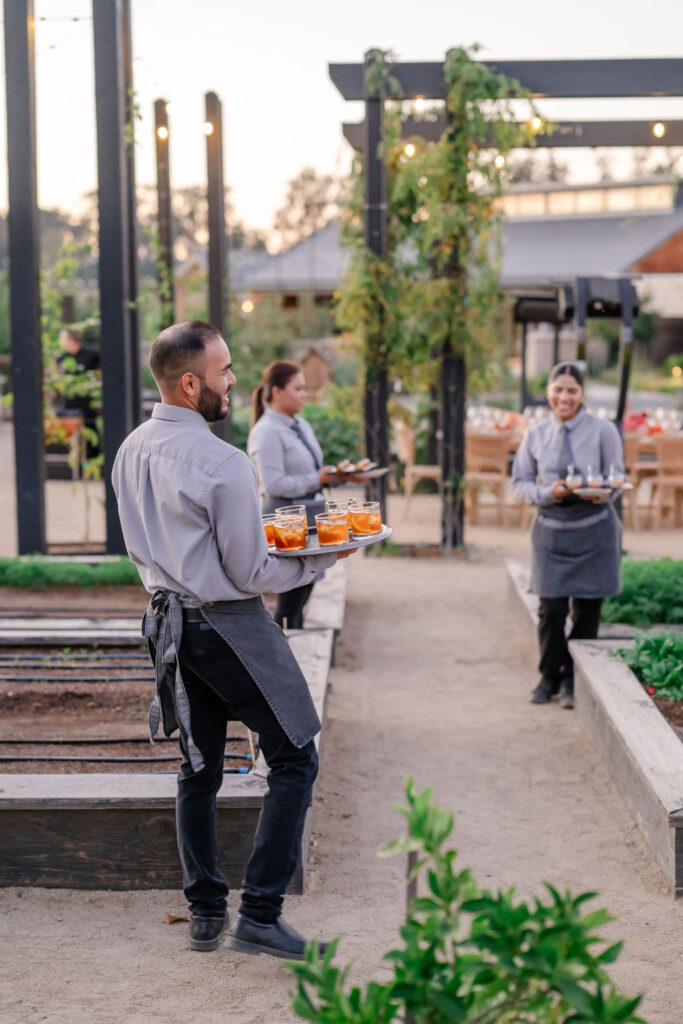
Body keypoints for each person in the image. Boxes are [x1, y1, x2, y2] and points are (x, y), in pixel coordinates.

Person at [111, 321, 355, 958]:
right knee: (297, 757)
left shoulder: (129, 450)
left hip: (167, 627)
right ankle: (262, 914)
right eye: (223, 372)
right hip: (229, 626)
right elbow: (250, 573)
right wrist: (323, 555)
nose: (233, 381)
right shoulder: (223, 461)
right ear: (191, 384)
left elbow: (148, 549)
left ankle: (205, 912)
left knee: (198, 771)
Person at [512, 362, 624, 710]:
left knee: (588, 609)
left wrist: (598, 490)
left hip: (596, 531)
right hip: (551, 533)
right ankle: (549, 675)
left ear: (582, 394)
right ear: (548, 392)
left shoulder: (604, 430)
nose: (564, 397)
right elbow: (521, 484)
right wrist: (550, 493)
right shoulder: (535, 435)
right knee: (552, 609)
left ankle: (575, 678)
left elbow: (616, 477)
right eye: (558, 389)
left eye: (572, 390)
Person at [247, 361, 339, 629]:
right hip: (287, 525)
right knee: (290, 602)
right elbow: (273, 484)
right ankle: (288, 652)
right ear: (277, 391)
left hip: (311, 517)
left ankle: (296, 651)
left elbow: (310, 469)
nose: (303, 394)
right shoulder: (266, 432)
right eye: (297, 388)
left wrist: (341, 476)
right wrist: (317, 479)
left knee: (302, 596)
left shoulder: (300, 424)